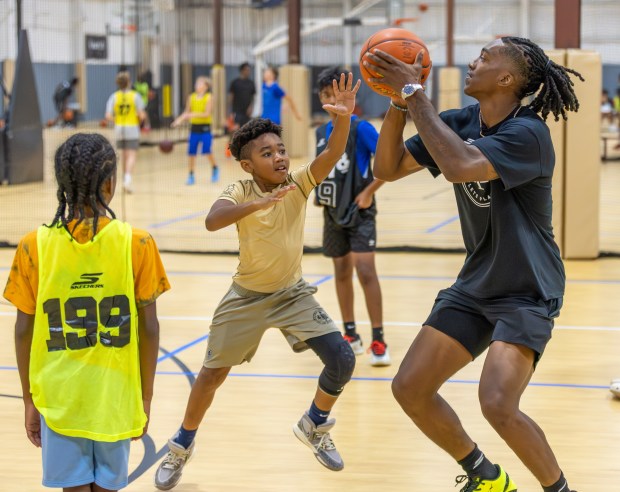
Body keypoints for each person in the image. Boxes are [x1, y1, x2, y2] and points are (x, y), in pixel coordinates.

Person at [368, 37, 582, 492]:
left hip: (527, 288)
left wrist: (414, 94)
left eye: (485, 57)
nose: (472, 61)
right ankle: (486, 476)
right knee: (410, 387)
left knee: (497, 403)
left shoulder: (529, 134)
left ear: (506, 79)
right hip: (476, 285)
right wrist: (396, 104)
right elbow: (385, 168)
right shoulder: (459, 122)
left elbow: (462, 164)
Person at [154, 73, 361, 491]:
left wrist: (342, 120)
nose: (279, 157)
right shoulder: (241, 188)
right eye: (267, 153)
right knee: (211, 377)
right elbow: (212, 221)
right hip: (246, 298)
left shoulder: (299, 183)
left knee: (342, 359)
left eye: (281, 149)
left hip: (292, 294)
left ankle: (314, 424)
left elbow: (333, 151)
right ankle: (180, 445)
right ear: (248, 164)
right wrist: (255, 203)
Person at [4, 133, 170, 491]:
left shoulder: (34, 246)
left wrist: (28, 400)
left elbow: (22, 331)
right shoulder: (138, 243)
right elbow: (151, 329)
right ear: (110, 183)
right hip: (115, 395)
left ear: (61, 184)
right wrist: (145, 398)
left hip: (59, 398)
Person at [314, 66, 389, 366]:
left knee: (365, 270)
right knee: (342, 272)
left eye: (337, 93)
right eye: (326, 95)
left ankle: (379, 339)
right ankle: (350, 334)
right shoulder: (321, 132)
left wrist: (370, 190)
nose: (332, 100)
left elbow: (387, 163)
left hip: (360, 210)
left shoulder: (363, 129)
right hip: (332, 213)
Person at [172, 76, 219, 185]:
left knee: (207, 150)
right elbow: (186, 112)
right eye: (196, 83)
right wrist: (178, 120)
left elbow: (206, 114)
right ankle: (191, 175)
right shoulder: (191, 97)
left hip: (205, 127)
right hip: (194, 128)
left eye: (200, 84)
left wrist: (191, 114)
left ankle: (215, 168)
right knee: (191, 153)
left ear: (206, 86)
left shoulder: (209, 97)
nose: (197, 85)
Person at [105, 71, 146, 193]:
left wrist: (117, 120)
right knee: (131, 155)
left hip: (119, 129)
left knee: (123, 155)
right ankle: (128, 179)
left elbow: (107, 116)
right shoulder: (135, 96)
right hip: (132, 128)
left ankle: (124, 179)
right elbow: (142, 114)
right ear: (129, 82)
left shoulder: (114, 96)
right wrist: (139, 121)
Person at [228, 62, 256, 131]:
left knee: (247, 129)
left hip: (247, 111)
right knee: (236, 129)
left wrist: (251, 107)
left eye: (249, 70)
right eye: (246, 70)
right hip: (237, 111)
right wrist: (229, 111)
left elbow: (253, 97)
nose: (248, 72)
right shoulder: (235, 82)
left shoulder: (251, 83)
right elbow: (231, 97)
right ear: (242, 70)